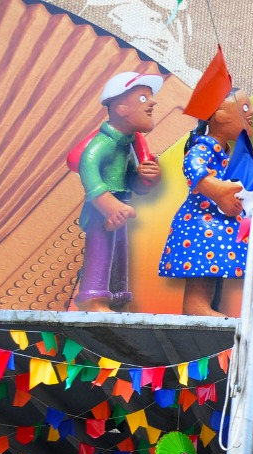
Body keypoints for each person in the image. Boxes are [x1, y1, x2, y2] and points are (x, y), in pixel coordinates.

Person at [159, 90, 253, 316]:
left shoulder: (226, 151)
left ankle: (209, 307)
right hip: (201, 222)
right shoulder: (204, 147)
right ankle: (196, 306)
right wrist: (219, 191)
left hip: (216, 221)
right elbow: (192, 167)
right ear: (220, 116)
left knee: (214, 265)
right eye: (244, 108)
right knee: (204, 264)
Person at [76, 71, 163, 311]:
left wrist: (146, 178)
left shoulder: (128, 143)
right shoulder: (105, 142)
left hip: (121, 203)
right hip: (103, 207)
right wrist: (108, 204)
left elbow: (132, 181)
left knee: (118, 252)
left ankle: (116, 294)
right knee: (101, 247)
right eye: (143, 99)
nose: (152, 102)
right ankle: (93, 297)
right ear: (121, 107)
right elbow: (88, 166)